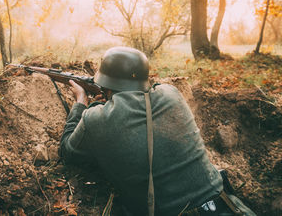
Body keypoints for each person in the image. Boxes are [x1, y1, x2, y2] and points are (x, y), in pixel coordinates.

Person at [59, 47, 256, 216]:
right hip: (229, 205)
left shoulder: (95, 119)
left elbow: (67, 151)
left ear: (106, 86)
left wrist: (80, 103)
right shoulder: (171, 94)